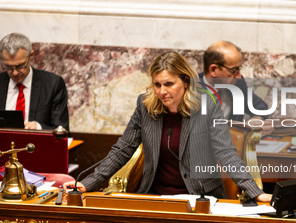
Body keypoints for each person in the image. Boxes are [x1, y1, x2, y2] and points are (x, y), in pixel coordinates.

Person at [64, 52, 271, 202]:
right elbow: (123, 149)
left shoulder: (207, 106)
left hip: (200, 198)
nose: (162, 91)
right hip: (155, 197)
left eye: (169, 84)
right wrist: (88, 182)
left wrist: (255, 192)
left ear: (186, 82)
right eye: (157, 84)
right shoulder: (145, 106)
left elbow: (225, 152)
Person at [201, 41, 273, 136]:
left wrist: (257, 120)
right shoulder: (187, 91)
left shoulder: (238, 84)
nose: (239, 76)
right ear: (213, 70)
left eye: (239, 69)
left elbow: (260, 106)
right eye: (234, 71)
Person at [0, 33, 69, 131]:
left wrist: (37, 127)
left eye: (20, 66)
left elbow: (62, 130)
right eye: (9, 67)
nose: (15, 73)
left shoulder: (52, 84)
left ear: (31, 55)